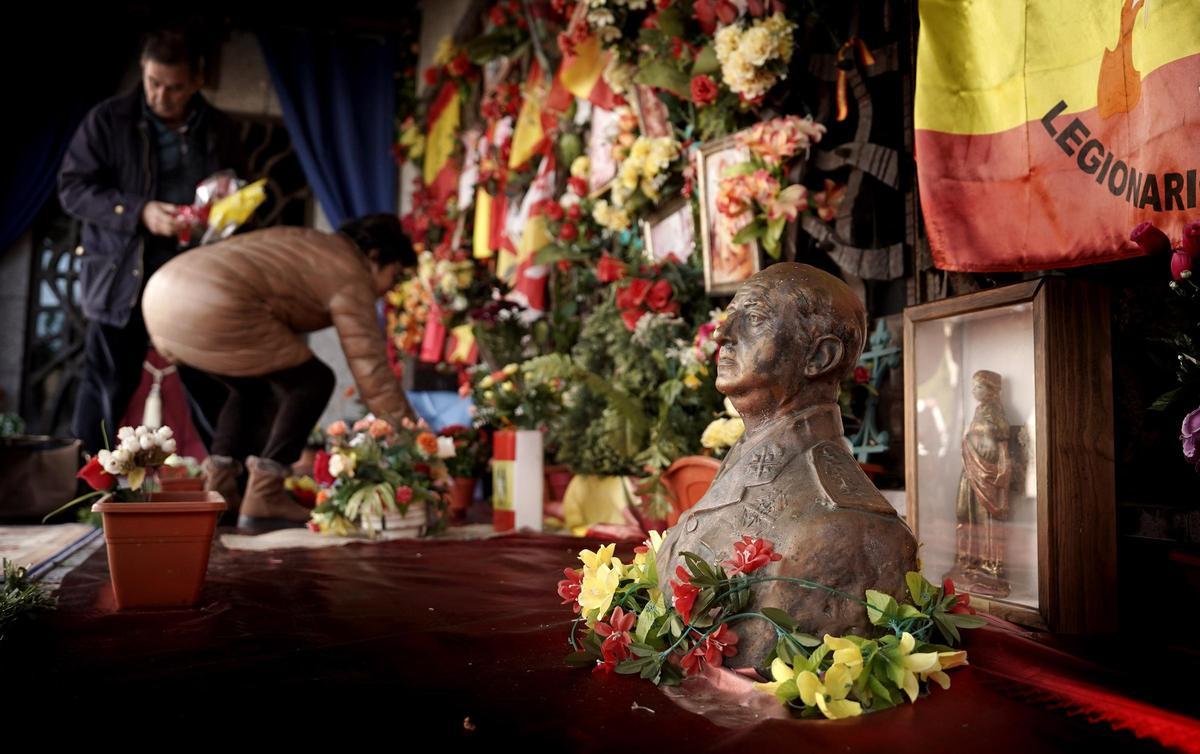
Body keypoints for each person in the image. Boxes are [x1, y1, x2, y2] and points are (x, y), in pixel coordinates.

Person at [654, 263, 917, 671]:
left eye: (754, 319)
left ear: (819, 356)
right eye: (731, 316)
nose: (723, 335)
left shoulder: (839, 523)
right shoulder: (742, 464)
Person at [141, 214, 417, 529]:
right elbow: (371, 367)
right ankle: (265, 493)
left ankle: (221, 491)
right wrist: (409, 436)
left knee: (251, 390)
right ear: (375, 256)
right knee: (313, 381)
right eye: (394, 277)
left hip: (162, 299)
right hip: (209, 301)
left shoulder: (311, 241)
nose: (389, 290)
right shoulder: (350, 269)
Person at [58, 27, 245, 456]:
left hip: (196, 280)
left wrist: (223, 209)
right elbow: (72, 188)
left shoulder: (220, 128)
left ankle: (228, 484)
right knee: (107, 385)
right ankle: (86, 489)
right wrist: (139, 210)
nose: (162, 96)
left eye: (175, 88)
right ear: (142, 71)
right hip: (121, 275)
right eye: (153, 83)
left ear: (198, 80)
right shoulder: (108, 120)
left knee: (209, 383)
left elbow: (242, 192)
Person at [946, 369, 1013, 598]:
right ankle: (968, 559)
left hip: (986, 473)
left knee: (986, 520)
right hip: (970, 471)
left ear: (992, 390)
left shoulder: (996, 414)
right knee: (965, 513)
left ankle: (991, 565)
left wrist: (1001, 472)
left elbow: (1002, 445)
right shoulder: (978, 411)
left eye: (979, 387)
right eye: (973, 386)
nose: (974, 391)